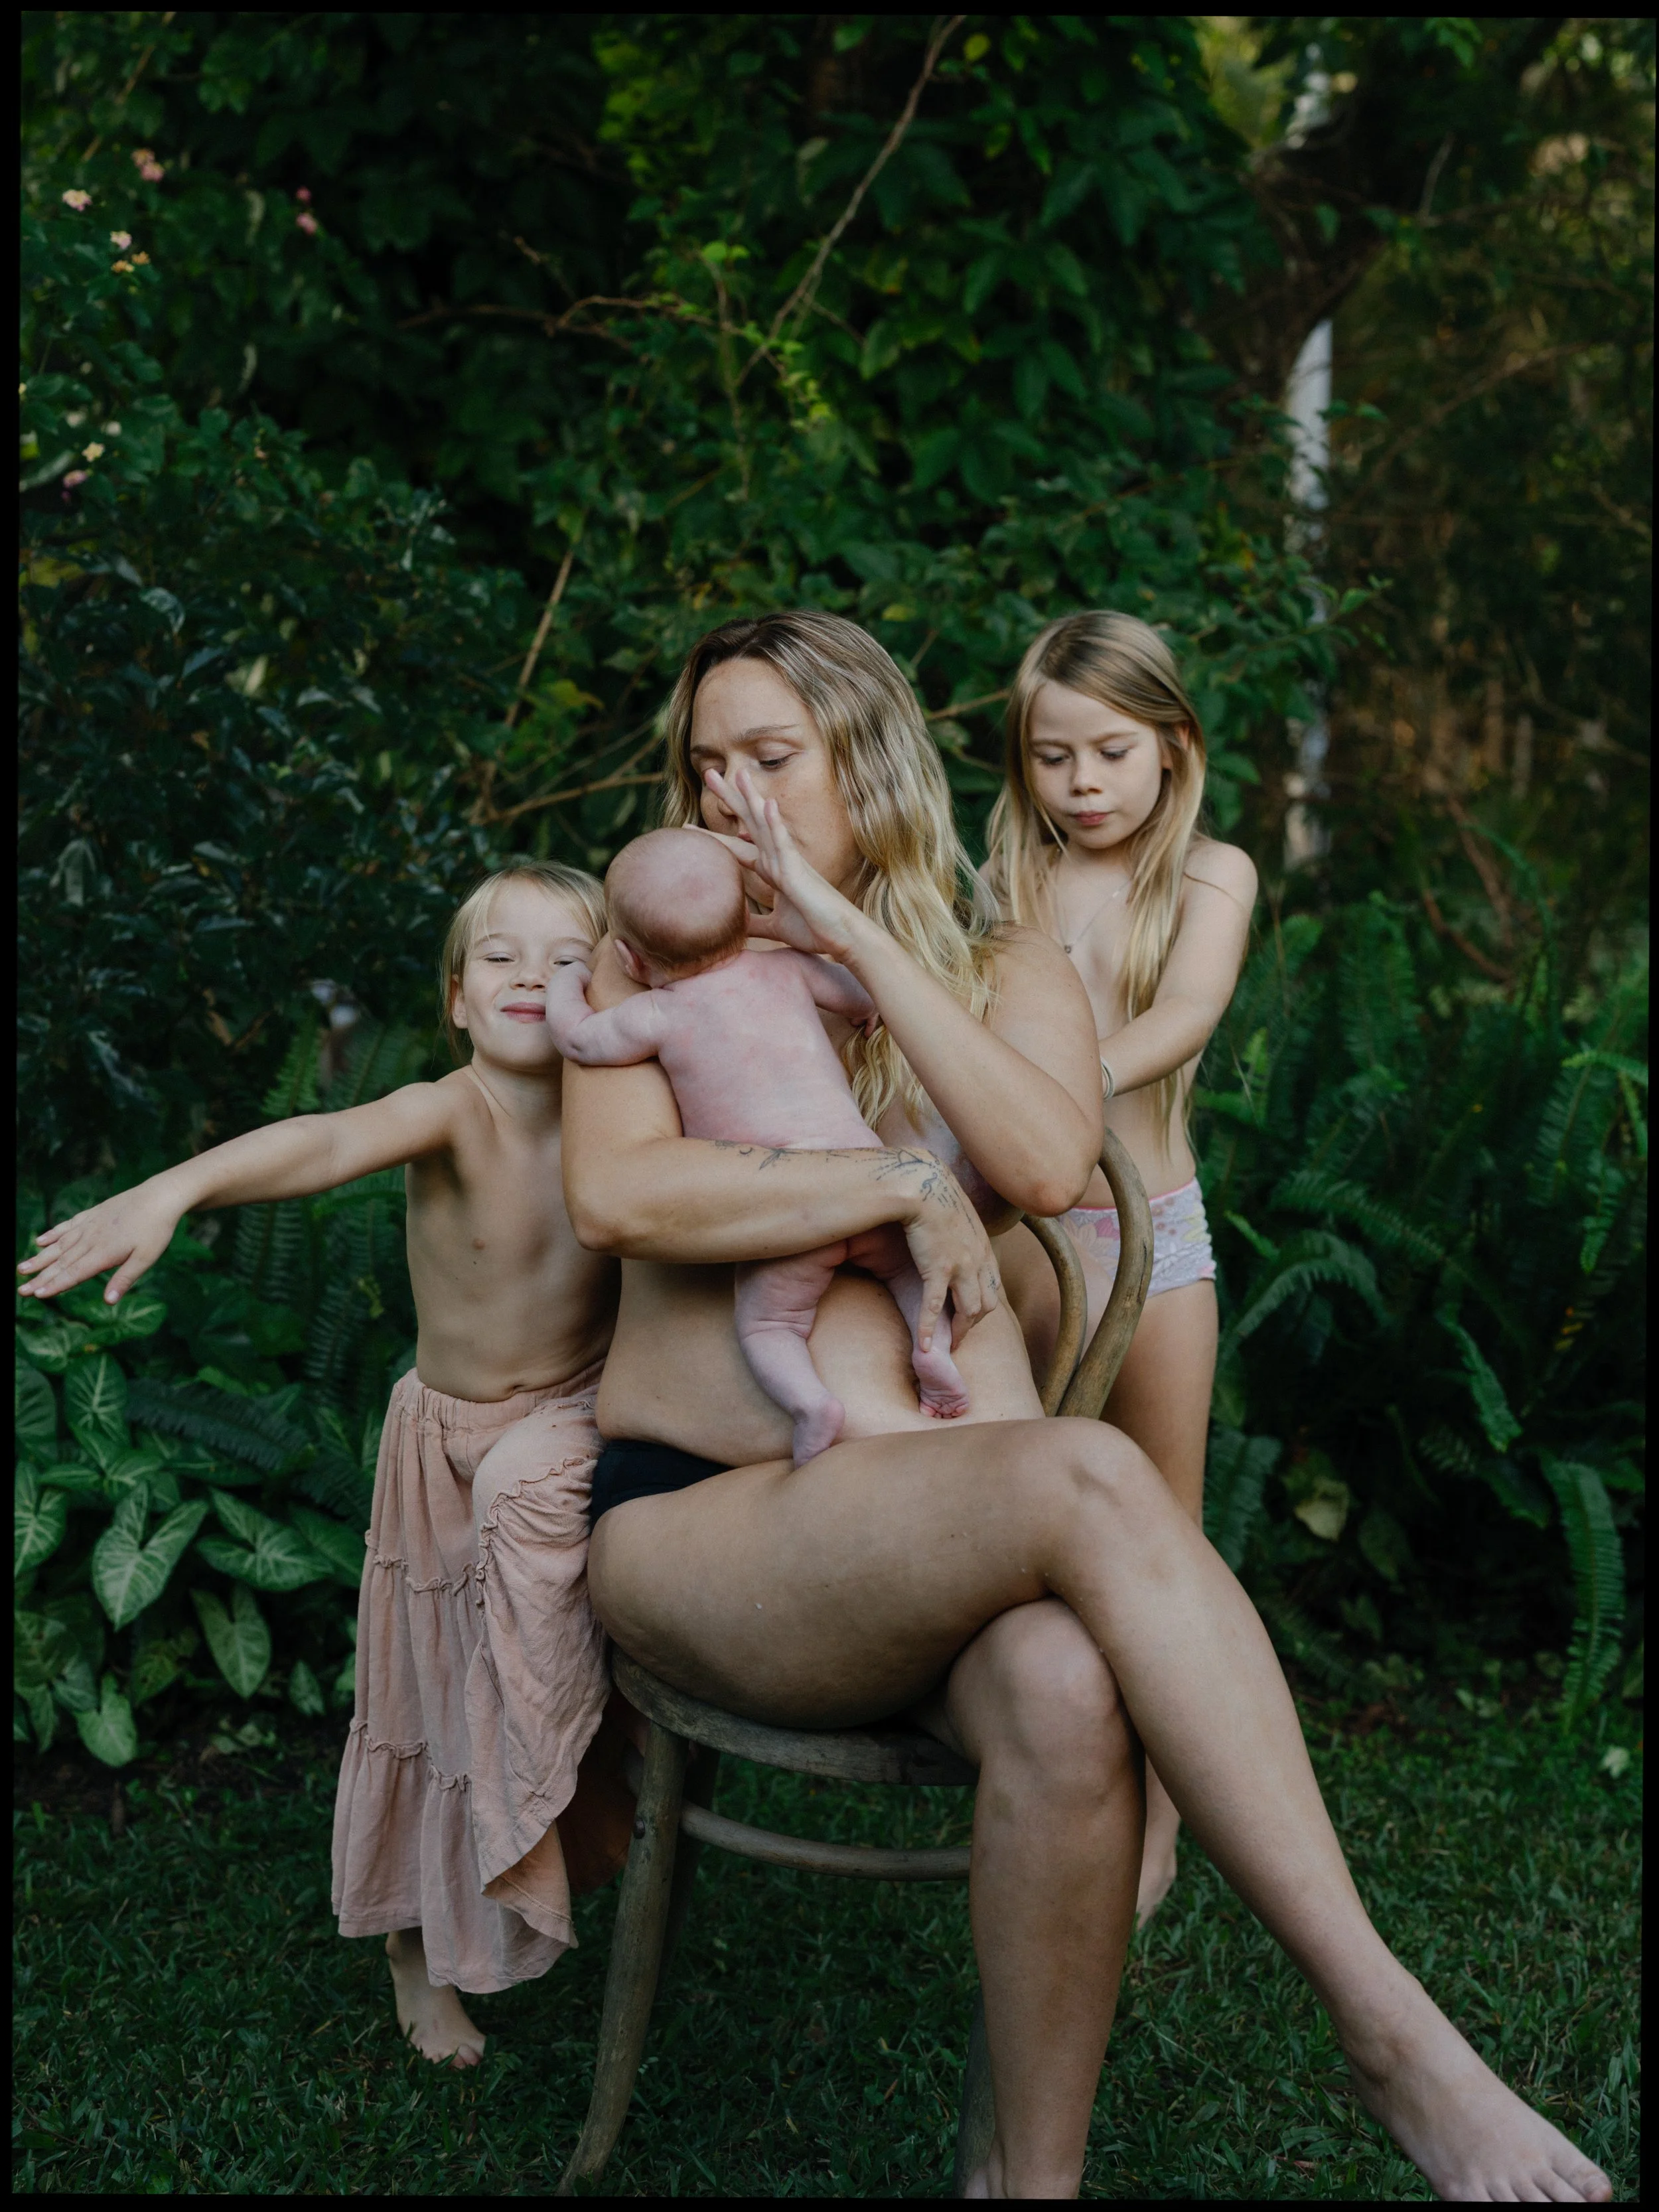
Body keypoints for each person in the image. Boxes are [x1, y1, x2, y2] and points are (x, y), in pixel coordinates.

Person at [559, 608, 1611, 2203]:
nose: (726, 800)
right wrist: (886, 1180)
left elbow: (1051, 1167)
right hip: (710, 1521)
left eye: (770, 760)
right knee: (1090, 1477)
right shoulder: (650, 956)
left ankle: (1024, 2187)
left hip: (934, 1527)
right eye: (704, 766)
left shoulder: (1007, 968)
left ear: (870, 765)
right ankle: (1392, 2035)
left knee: (1061, 1680)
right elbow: (622, 1196)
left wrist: (851, 938)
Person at [17, 861, 633, 2071]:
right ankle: (415, 1948)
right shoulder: (455, 1109)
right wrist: (178, 1184)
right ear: (457, 998)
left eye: (569, 959)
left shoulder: (625, 1114)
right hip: (450, 1449)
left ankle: (559, 1840)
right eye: (501, 957)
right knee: (431, 1703)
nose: (532, 979)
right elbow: (331, 1133)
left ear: (609, 987)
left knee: (540, 1678)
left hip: (566, 1430)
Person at [981, 609, 1255, 1927]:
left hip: (1153, 1227)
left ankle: (1155, 1820)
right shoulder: (1004, 877)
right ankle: (1035, 1759)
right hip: (1019, 1237)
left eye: (1107, 752)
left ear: (1170, 743)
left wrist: (1055, 1083)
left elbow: (1185, 1013)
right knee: (1016, 1508)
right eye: (1051, 757)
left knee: (1167, 1535)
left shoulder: (1211, 876)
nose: (1081, 784)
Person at [545, 825, 969, 1463]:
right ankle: (934, 1358)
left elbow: (580, 1040)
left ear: (631, 961)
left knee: (769, 1324)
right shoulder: (788, 972)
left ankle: (810, 1403)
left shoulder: (659, 1015)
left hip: (789, 1217)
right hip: (867, 1187)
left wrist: (567, 979)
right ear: (747, 919)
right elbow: (863, 1001)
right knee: (914, 1283)